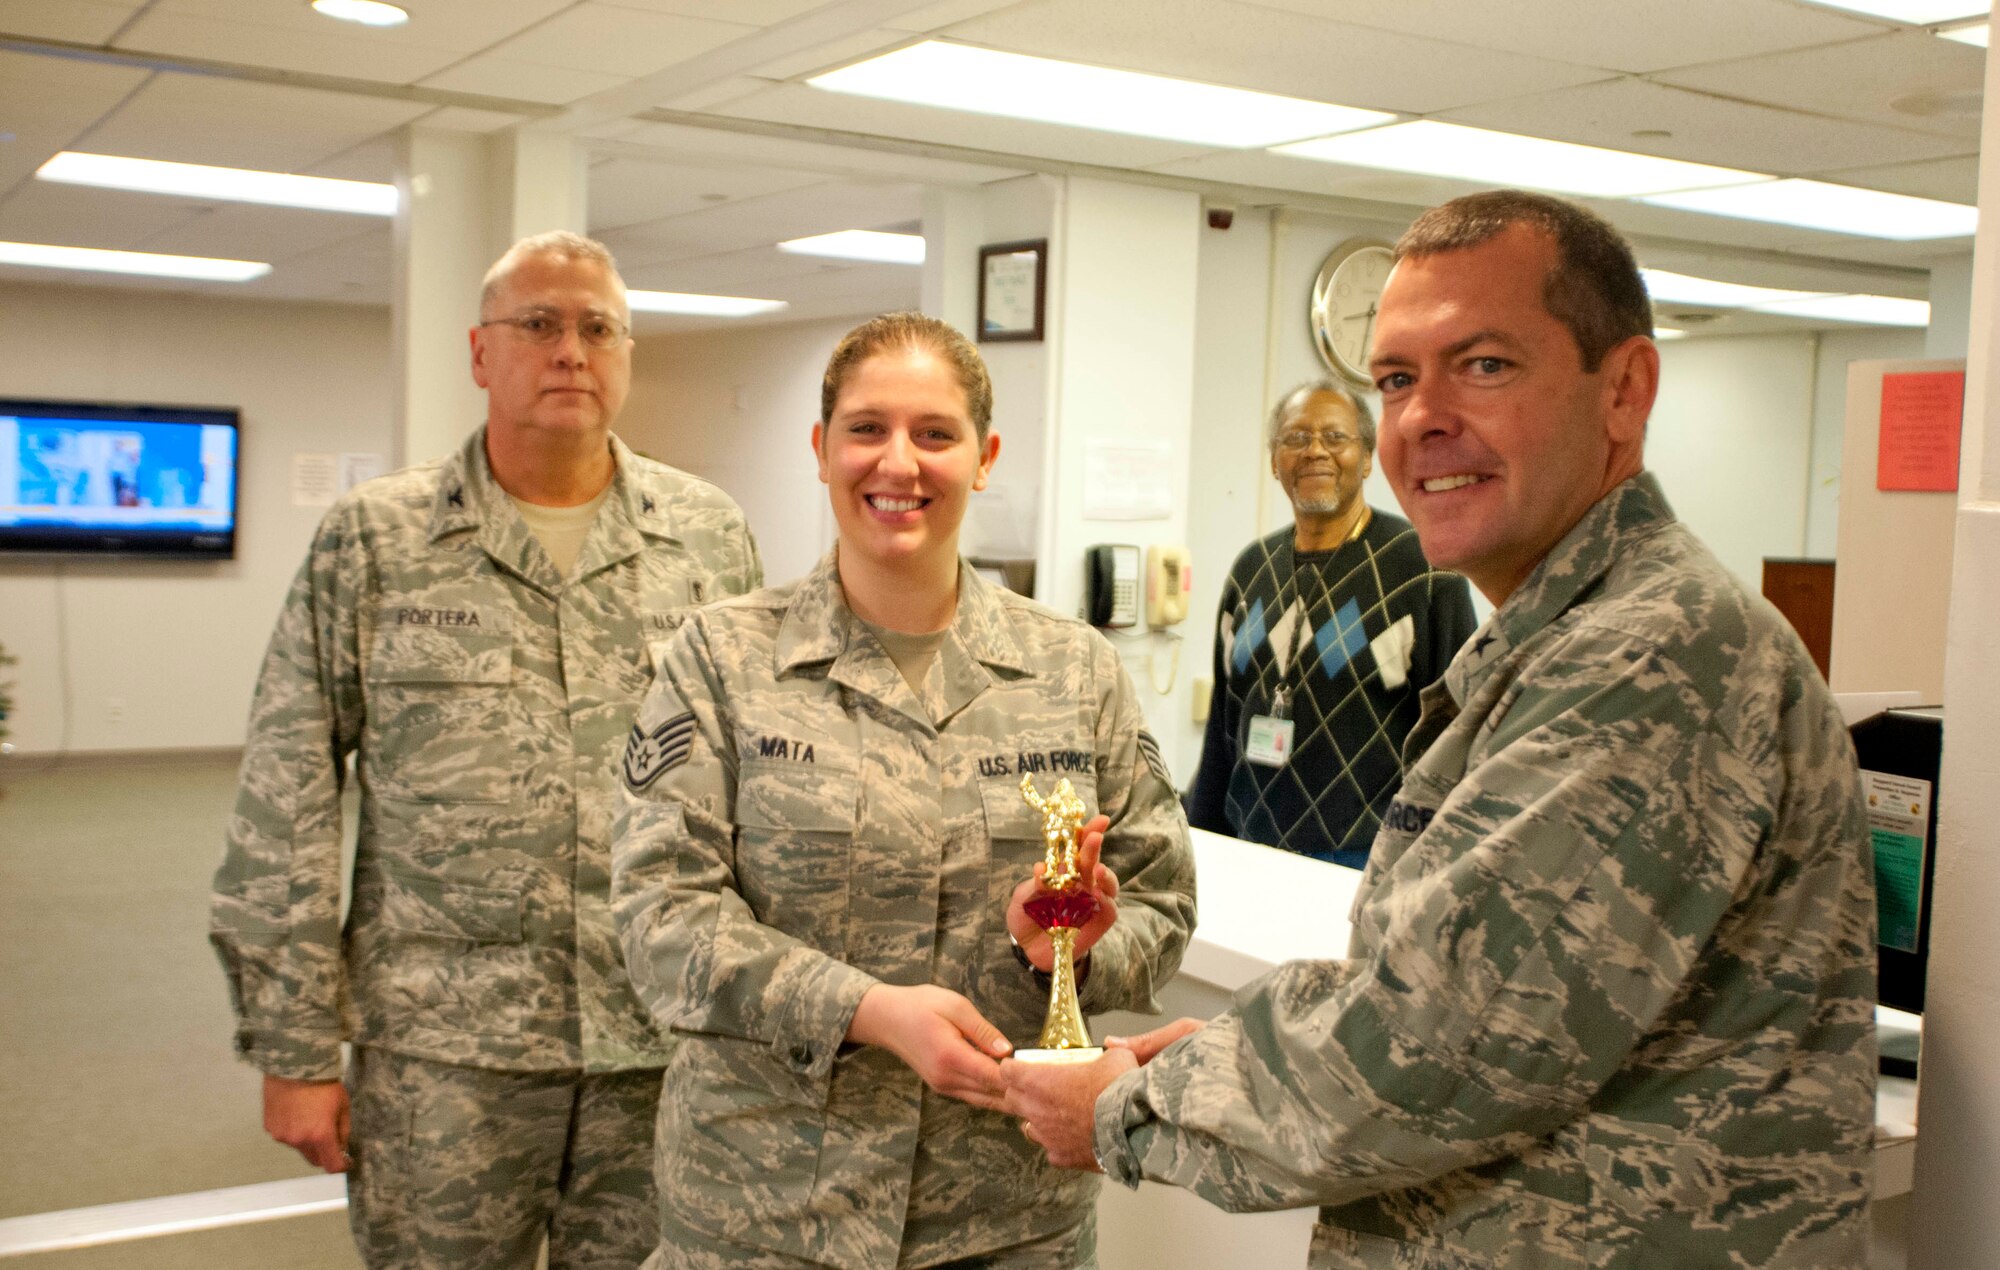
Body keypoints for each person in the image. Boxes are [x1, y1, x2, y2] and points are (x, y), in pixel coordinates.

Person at [1002, 190, 1877, 1268]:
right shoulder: (1556, 636)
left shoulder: (1652, 655)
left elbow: (1426, 1050)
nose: (1421, 418)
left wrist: (1126, 1106)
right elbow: (1448, 986)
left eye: (1484, 365)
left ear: (1624, 390)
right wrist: (1222, 1054)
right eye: (1395, 379)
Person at [209, 230, 762, 1268]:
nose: (570, 351)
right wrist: (293, 1045)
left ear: (627, 354)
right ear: (478, 352)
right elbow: (287, 794)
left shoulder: (707, 536)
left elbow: (756, 783)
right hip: (444, 1057)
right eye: (538, 324)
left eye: (598, 328)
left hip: (658, 1041)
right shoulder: (377, 539)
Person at [611, 311, 1197, 1269]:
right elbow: (660, 918)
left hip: (1007, 1218)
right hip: (764, 1213)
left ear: (983, 458)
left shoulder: (1074, 671)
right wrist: (866, 1009)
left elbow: (1161, 900)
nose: (899, 462)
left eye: (935, 433)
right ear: (821, 448)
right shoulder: (721, 660)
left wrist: (1070, 954)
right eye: (867, 429)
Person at [1184, 379, 1475, 866]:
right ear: (1274, 461)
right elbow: (1222, 729)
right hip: (1246, 849)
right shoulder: (1251, 570)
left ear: (1367, 458)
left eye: (1335, 437)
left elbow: (1457, 737)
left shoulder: (1425, 572)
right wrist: (1200, 842)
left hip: (1367, 860)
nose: (1315, 451)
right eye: (1296, 438)